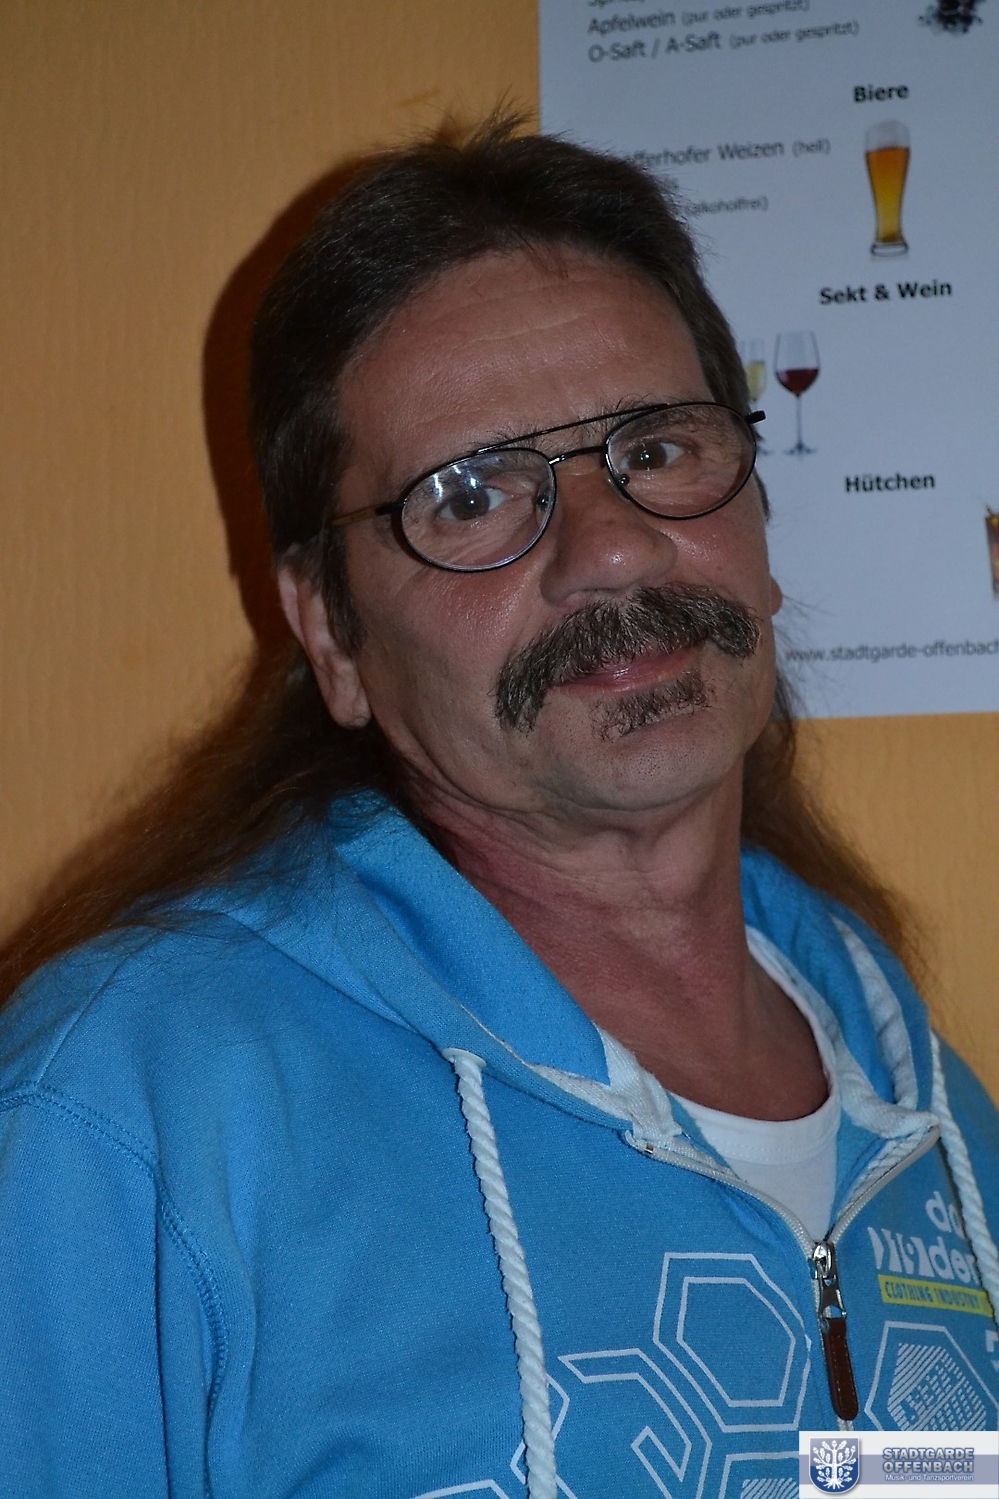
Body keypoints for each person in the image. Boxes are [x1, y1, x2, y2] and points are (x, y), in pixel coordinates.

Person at [1, 120, 997, 1499]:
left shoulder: (920, 1099)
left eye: (659, 445)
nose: (614, 547)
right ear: (333, 633)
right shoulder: (130, 1113)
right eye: (470, 495)